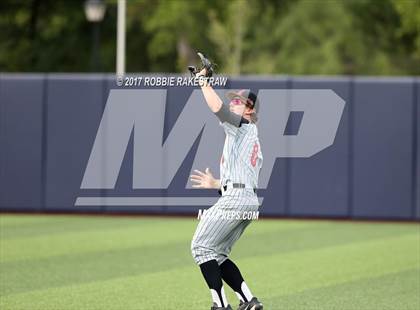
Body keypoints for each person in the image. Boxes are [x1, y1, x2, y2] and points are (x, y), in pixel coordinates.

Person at [190, 68, 264, 310]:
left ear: (250, 110)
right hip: (246, 199)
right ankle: (249, 300)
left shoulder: (243, 126)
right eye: (233, 100)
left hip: (238, 198)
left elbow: (216, 108)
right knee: (217, 253)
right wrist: (216, 184)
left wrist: (202, 81)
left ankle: (220, 305)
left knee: (200, 247)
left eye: (239, 102)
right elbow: (243, 178)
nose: (233, 104)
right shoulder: (247, 137)